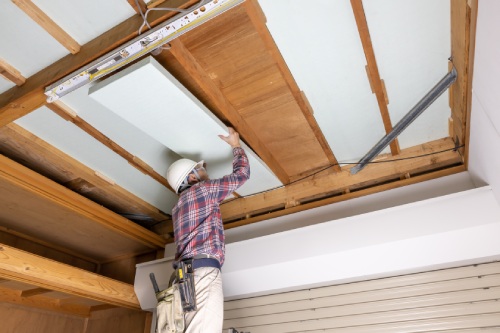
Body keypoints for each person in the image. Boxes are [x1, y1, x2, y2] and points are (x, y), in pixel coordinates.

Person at [166, 127, 250, 332]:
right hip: (196, 274)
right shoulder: (202, 190)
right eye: (201, 170)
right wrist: (235, 145)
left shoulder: (177, 208)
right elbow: (241, 174)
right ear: (193, 178)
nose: (206, 172)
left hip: (189, 274)